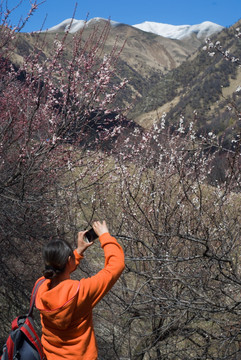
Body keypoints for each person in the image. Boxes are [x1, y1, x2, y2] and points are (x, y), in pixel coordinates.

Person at [34, 220, 125, 360]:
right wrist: (105, 236)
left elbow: (55, 272)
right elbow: (116, 266)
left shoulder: (40, 288)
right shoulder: (80, 292)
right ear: (69, 261)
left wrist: (78, 252)